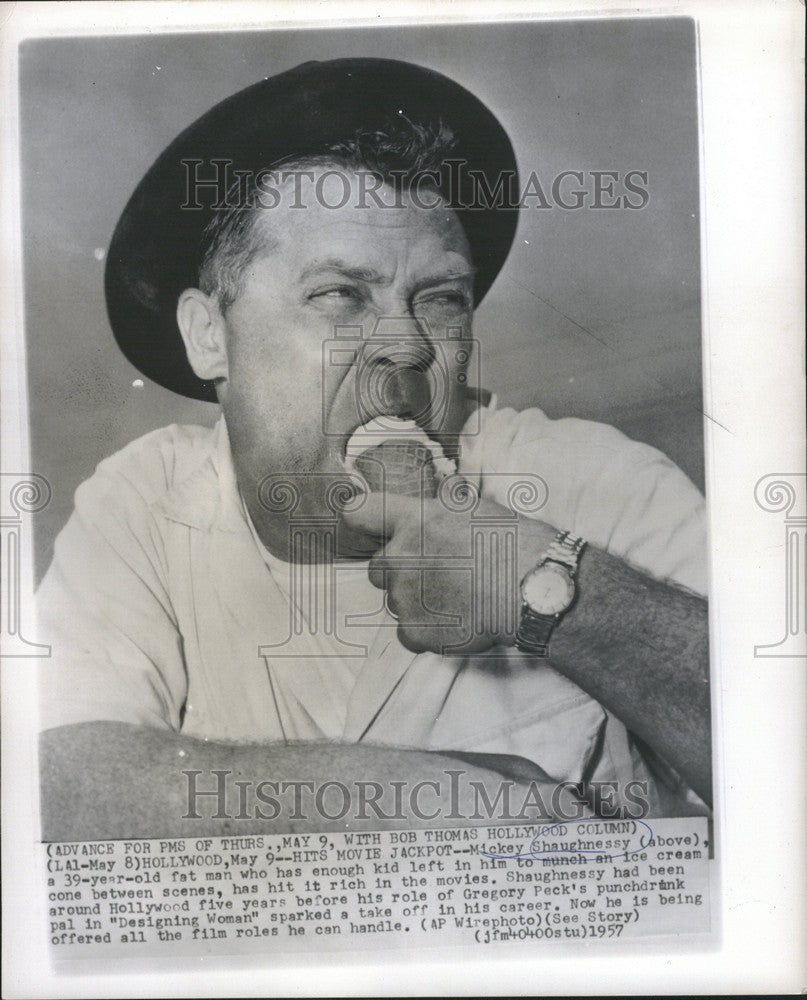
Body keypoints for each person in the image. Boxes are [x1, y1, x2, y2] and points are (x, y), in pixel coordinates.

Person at [37, 58, 710, 840]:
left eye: (440, 300)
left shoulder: (600, 483)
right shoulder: (145, 500)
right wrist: (425, 799)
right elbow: (56, 784)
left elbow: (778, 762)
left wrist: (548, 587)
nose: (405, 346)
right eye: (338, 295)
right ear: (209, 337)